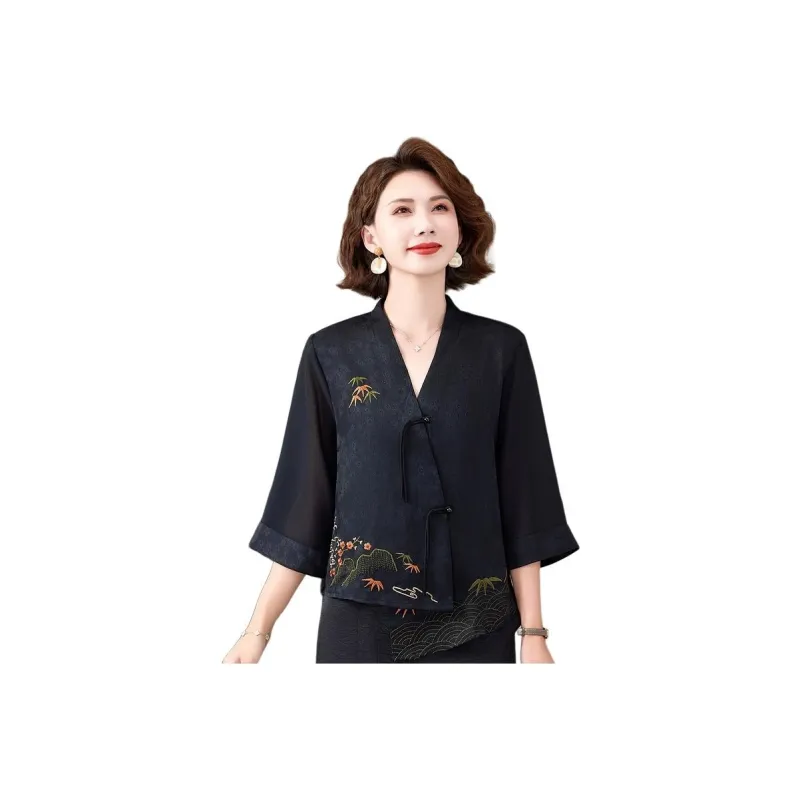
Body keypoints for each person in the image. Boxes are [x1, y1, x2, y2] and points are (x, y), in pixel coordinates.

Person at [222, 137, 580, 664]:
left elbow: (524, 497)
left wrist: (534, 633)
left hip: (477, 622)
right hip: (358, 626)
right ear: (371, 236)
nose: (425, 225)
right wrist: (258, 631)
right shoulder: (331, 353)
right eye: (403, 210)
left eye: (440, 208)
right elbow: (306, 498)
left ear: (460, 229)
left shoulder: (500, 351)